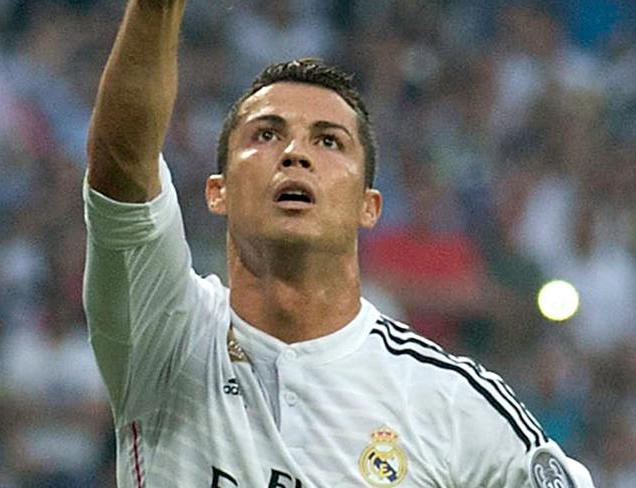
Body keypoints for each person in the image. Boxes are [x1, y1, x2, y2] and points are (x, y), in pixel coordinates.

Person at [83, 1, 596, 486]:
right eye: (266, 134)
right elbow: (122, 167)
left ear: (368, 206)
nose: (294, 154)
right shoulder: (166, 333)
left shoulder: (450, 403)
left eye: (328, 141)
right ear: (217, 192)